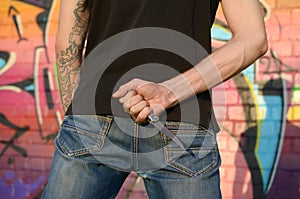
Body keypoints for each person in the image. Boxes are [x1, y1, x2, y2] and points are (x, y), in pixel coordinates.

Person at [42, 0, 267, 198]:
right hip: (183, 121)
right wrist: (169, 92)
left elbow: (67, 45)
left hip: (95, 113)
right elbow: (252, 38)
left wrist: (80, 116)